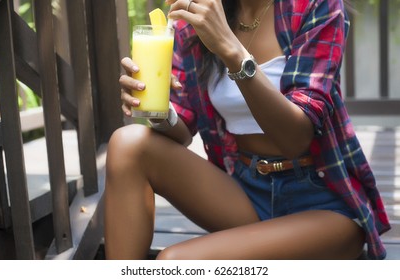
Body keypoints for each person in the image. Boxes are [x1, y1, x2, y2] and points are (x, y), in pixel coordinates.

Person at [104, 0, 391, 260]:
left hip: (321, 201)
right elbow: (184, 128)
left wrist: (232, 51)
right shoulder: (200, 17)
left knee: (175, 263)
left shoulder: (315, 6)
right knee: (127, 143)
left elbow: (296, 138)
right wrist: (157, 106)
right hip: (246, 189)